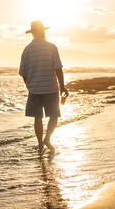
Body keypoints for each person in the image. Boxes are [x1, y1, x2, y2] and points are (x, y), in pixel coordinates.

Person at [19, 21, 68, 155]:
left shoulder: (27, 50)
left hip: (34, 89)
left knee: (37, 118)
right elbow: (58, 68)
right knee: (54, 115)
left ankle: (40, 145)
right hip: (50, 88)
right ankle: (47, 138)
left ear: (33, 33)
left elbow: (23, 73)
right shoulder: (51, 47)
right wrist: (62, 86)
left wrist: (29, 85)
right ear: (43, 31)